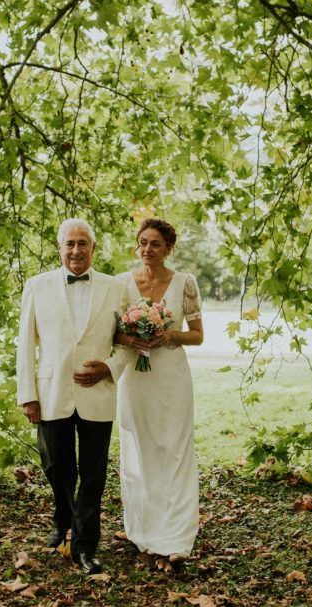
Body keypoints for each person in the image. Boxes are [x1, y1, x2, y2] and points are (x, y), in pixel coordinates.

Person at [16, 218, 133, 575]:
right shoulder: (37, 286)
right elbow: (25, 344)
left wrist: (110, 368)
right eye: (70, 244)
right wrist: (28, 395)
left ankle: (85, 546)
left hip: (97, 393)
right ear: (60, 248)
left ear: (93, 248)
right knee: (57, 467)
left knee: (93, 474)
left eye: (83, 243)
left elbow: (127, 343)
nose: (76, 250)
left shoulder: (116, 288)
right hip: (52, 392)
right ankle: (62, 516)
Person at [115, 218, 204, 565]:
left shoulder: (185, 283)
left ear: (168, 248)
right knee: (139, 449)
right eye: (143, 242)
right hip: (135, 378)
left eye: (155, 243)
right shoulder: (123, 284)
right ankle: (144, 530)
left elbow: (197, 334)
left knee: (175, 450)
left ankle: (178, 537)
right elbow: (113, 332)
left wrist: (171, 334)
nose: (147, 249)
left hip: (171, 375)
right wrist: (130, 338)